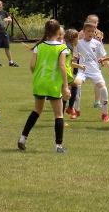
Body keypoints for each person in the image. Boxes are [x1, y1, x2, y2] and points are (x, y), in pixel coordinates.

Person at [18, 19, 71, 153]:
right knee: (58, 114)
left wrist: (38, 77)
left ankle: (23, 138)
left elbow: (32, 65)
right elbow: (62, 66)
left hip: (39, 82)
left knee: (37, 110)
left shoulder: (39, 46)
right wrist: (65, 86)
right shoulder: (62, 48)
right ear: (58, 31)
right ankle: (58, 146)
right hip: (53, 84)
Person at [75, 22, 109, 122]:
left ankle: (105, 114)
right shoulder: (78, 43)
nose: (91, 33)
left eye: (92, 31)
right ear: (84, 31)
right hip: (82, 70)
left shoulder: (97, 44)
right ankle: (76, 110)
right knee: (76, 85)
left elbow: (104, 58)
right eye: (88, 31)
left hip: (95, 71)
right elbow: (74, 56)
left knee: (103, 88)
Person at [63, 29, 85, 119]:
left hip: (66, 72)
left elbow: (67, 61)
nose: (78, 40)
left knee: (66, 94)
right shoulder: (68, 48)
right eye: (78, 38)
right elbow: (62, 61)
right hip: (65, 73)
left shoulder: (68, 47)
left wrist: (78, 65)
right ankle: (69, 108)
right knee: (66, 94)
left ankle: (69, 109)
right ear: (74, 38)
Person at [0, 0, 17, 67]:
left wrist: (7, 19)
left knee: (7, 47)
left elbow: (10, 19)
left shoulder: (5, 13)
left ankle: (11, 62)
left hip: (4, 32)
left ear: (2, 5)